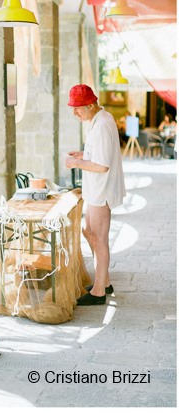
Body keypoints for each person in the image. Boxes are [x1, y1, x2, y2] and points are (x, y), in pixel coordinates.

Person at [64, 84, 126, 306]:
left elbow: (102, 166)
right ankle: (104, 281)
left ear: (90, 105)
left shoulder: (101, 125)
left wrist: (75, 163)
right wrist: (83, 154)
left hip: (102, 190)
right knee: (91, 233)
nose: (75, 113)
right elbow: (100, 154)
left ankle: (99, 291)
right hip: (96, 191)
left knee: (98, 239)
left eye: (78, 108)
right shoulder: (98, 119)